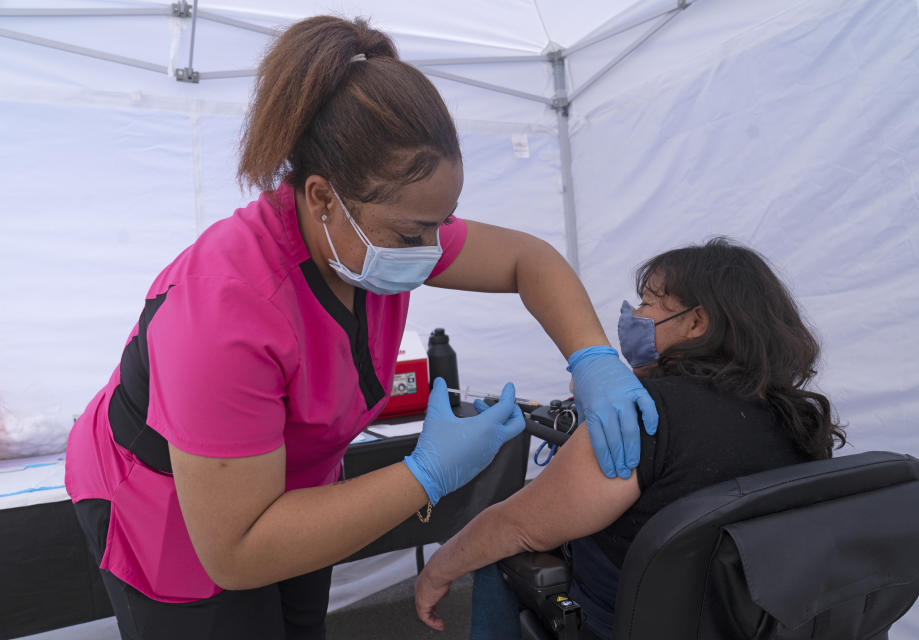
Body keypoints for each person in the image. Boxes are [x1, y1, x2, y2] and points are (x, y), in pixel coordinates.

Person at [64, 15, 659, 640]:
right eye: (413, 234)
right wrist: (425, 472)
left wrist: (592, 358)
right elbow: (237, 549)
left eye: (443, 221)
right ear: (322, 197)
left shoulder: (364, 236)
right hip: (174, 513)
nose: (433, 249)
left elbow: (527, 260)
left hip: (295, 487)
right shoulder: (226, 310)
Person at [415, 238, 847, 640]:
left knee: (494, 551)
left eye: (646, 302)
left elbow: (518, 528)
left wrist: (436, 569)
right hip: (746, 621)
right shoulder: (800, 419)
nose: (632, 316)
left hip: (620, 624)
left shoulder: (643, 415)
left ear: (696, 322)